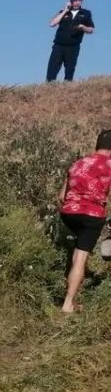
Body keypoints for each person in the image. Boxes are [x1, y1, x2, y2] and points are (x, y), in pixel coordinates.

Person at [58, 129, 111, 313]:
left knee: (79, 248)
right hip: (92, 216)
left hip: (68, 213)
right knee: (81, 257)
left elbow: (61, 196)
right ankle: (68, 303)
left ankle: (73, 294)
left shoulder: (78, 163)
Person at [47, 0, 95, 82]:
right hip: (59, 45)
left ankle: (67, 90)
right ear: (71, 0)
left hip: (73, 46)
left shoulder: (85, 13)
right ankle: (48, 87)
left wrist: (83, 27)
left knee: (69, 71)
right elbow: (52, 23)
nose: (77, 2)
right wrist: (65, 10)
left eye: (79, 0)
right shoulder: (63, 12)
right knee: (52, 70)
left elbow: (91, 29)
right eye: (75, 0)